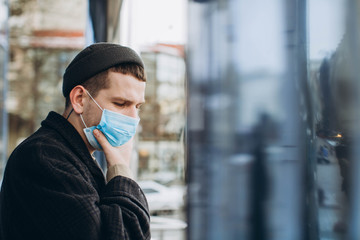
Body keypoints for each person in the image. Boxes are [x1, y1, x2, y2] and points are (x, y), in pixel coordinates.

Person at [0, 43, 151, 240]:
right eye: (121, 104)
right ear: (79, 99)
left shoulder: (72, 155)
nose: (133, 117)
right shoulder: (44, 157)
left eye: (138, 106)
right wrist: (121, 173)